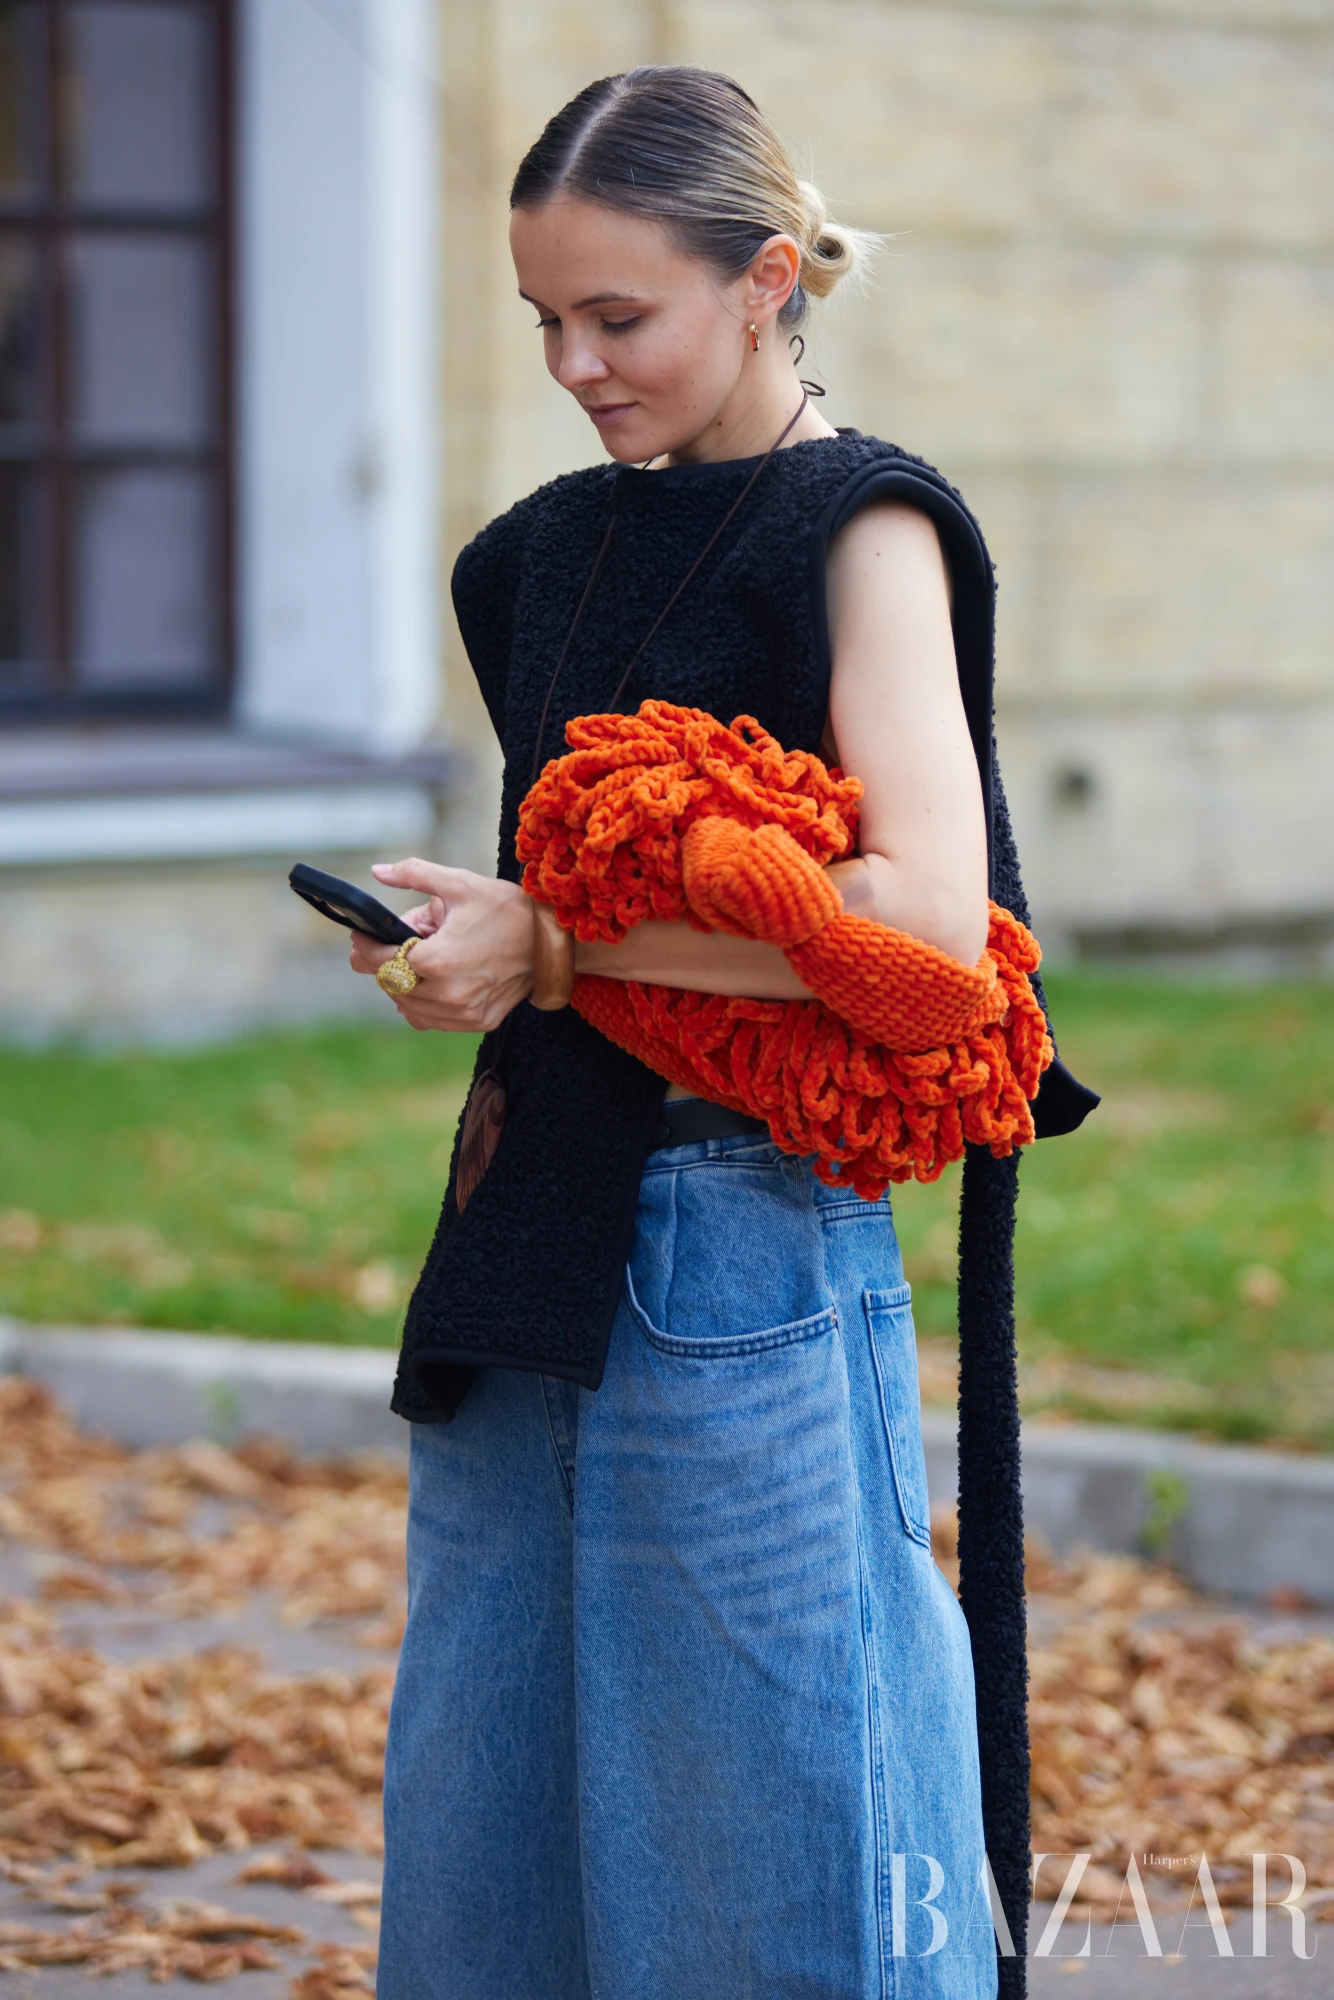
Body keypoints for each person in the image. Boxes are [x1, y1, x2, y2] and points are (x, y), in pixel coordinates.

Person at [354, 66, 1093, 2000]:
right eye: (543, 321)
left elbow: (933, 930)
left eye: (621, 316)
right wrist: (483, 946)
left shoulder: (864, 529)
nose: (574, 363)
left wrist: (562, 949)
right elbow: (569, 908)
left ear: (767, 278)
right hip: (518, 1232)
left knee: (772, 1852)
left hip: (736, 1239)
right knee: (487, 1849)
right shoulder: (526, 558)